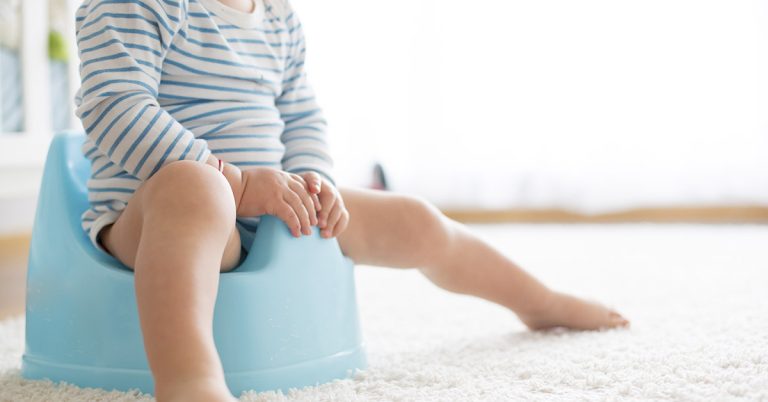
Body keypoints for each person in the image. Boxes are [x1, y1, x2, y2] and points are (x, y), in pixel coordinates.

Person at [74, 0, 629, 400]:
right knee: (195, 186)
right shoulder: (135, 4)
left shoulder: (278, 18)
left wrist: (315, 178)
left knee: (415, 221)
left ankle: (538, 302)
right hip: (153, 219)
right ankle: (189, 381)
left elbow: (302, 116)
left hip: (270, 206)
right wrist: (235, 182)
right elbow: (112, 105)